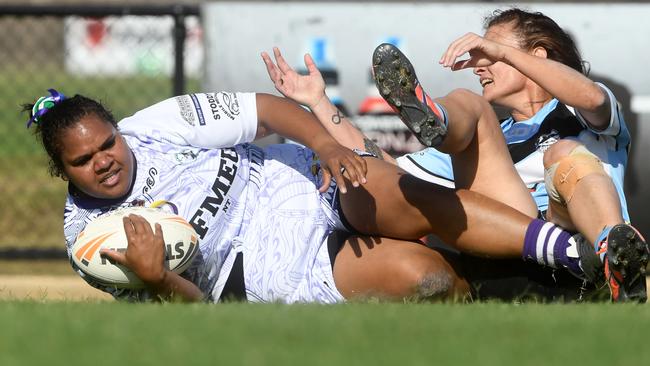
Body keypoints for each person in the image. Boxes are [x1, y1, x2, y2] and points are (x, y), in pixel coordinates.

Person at [25, 85, 600, 303]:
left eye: (107, 143)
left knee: (385, 186)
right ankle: (537, 295)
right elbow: (198, 318)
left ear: (117, 129)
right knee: (426, 282)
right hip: (266, 270)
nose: (104, 161)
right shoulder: (89, 241)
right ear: (63, 170)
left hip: (295, 179)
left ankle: (576, 256)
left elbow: (266, 111)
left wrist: (326, 146)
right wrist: (157, 280)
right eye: (83, 160)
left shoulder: (155, 125)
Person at [260, 8, 649, 303]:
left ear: (538, 55)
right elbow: (385, 169)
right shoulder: (493, 141)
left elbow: (592, 97)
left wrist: (504, 53)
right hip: (514, 253)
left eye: (490, 53)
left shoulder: (583, 112)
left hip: (580, 252)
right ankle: (439, 120)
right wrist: (319, 102)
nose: (479, 63)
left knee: (566, 154)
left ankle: (615, 263)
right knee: (473, 109)